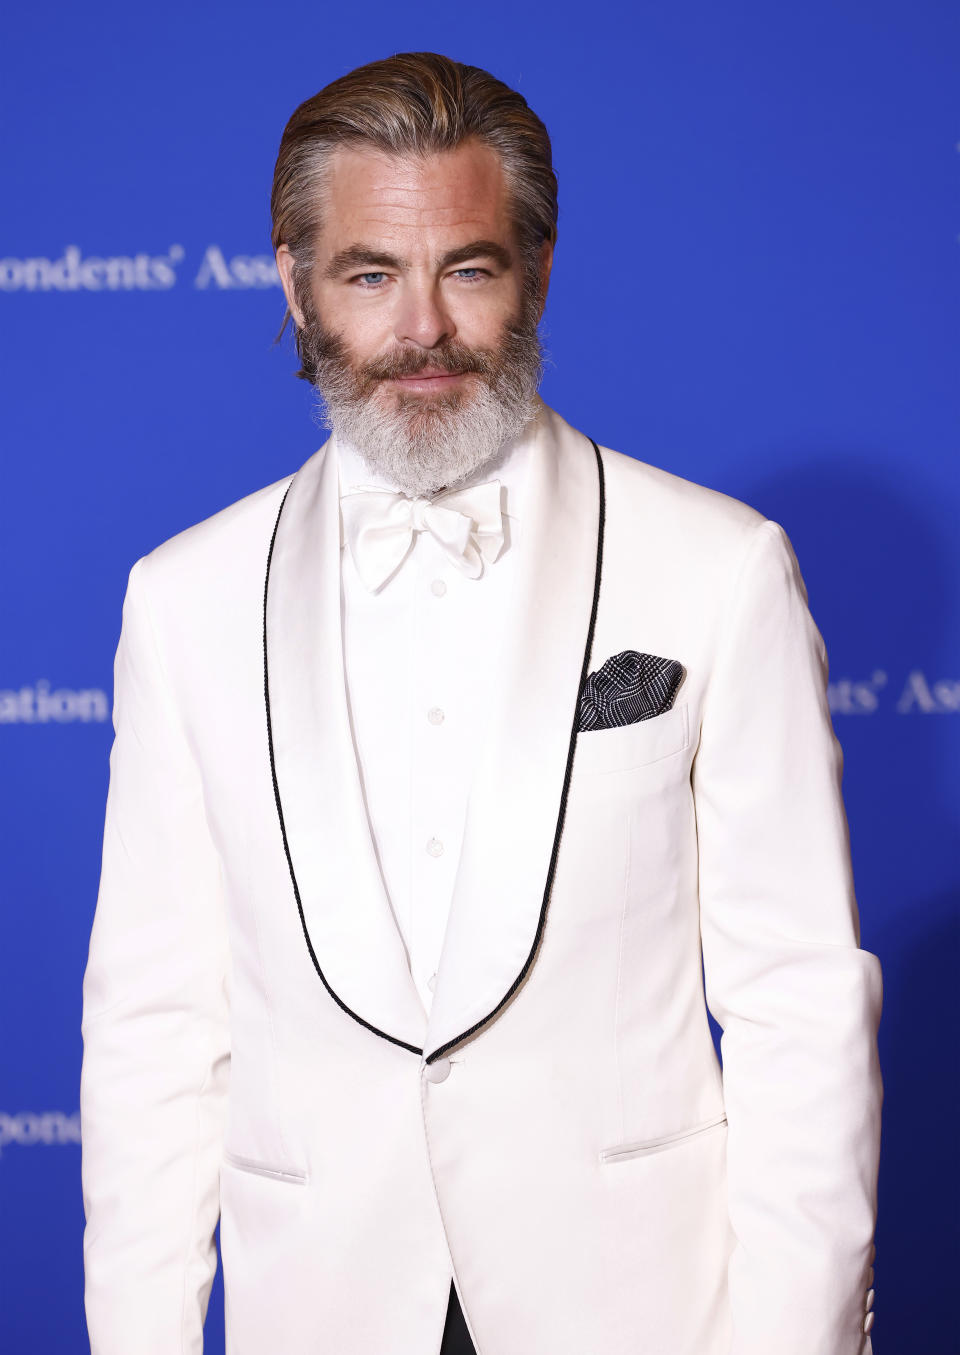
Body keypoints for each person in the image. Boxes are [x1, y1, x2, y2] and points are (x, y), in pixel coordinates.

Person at [80, 51, 883, 1355]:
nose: (422, 332)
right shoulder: (184, 601)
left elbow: (799, 1009)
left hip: (640, 1315)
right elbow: (156, 1033)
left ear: (538, 272)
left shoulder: (718, 567)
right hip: (323, 1311)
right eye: (368, 273)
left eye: (467, 267)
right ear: (295, 286)